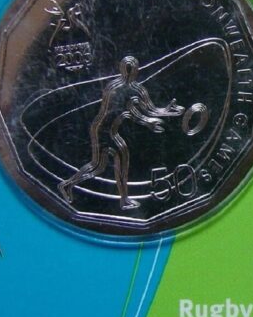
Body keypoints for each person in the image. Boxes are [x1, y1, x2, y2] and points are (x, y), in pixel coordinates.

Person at [58, 56, 184, 209]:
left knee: (98, 167)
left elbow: (151, 110)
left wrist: (168, 110)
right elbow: (131, 112)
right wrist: (149, 122)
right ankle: (123, 200)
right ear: (124, 70)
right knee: (111, 164)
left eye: (132, 69)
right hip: (105, 131)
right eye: (129, 69)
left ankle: (68, 185)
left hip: (108, 130)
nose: (131, 72)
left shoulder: (137, 89)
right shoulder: (118, 89)